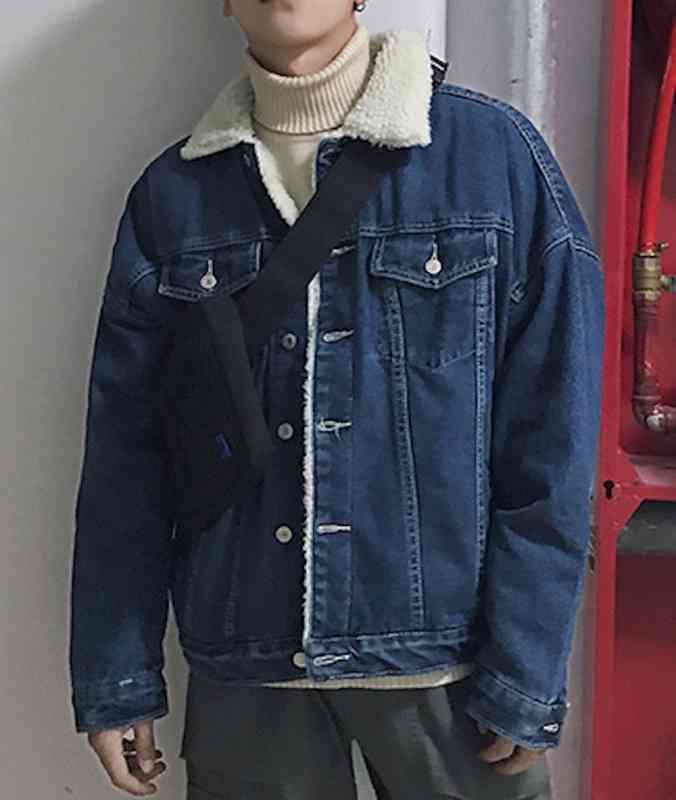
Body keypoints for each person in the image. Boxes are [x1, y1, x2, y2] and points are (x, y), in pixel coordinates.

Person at [68, 1, 605, 798]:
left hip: (450, 671)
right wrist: (116, 674)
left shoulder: (490, 157)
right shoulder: (173, 196)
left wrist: (528, 666)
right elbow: (127, 457)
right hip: (246, 666)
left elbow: (552, 435)